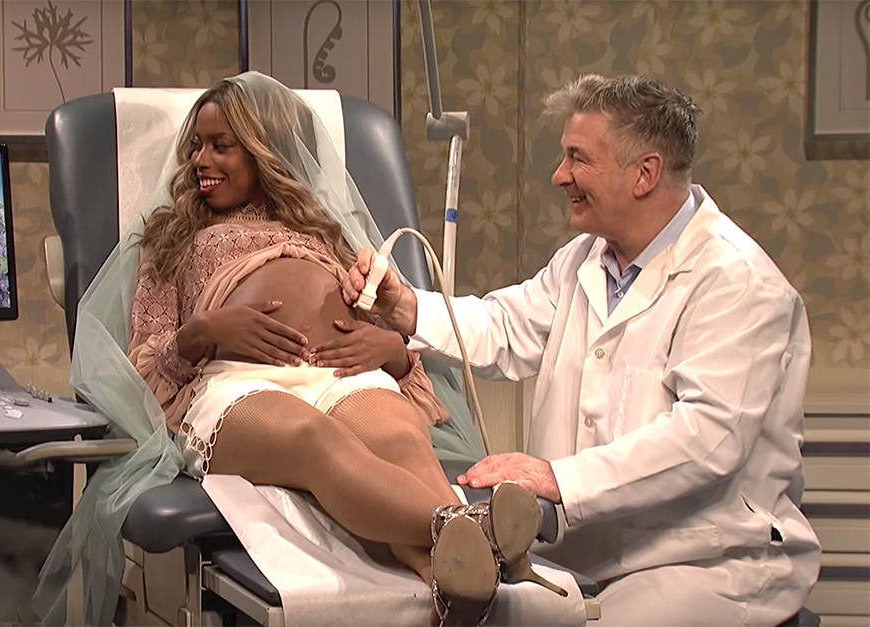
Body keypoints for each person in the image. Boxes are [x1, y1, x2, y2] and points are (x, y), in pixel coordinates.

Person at [34, 72, 560, 627]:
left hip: (342, 375)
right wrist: (207, 328)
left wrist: (390, 347)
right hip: (236, 384)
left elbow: (398, 342)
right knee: (316, 440)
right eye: (196, 147)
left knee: (402, 439)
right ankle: (476, 530)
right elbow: (143, 366)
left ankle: (449, 580)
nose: (200, 161)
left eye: (220, 146)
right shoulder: (170, 238)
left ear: (264, 150)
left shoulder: (324, 230)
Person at [341, 74, 821, 625]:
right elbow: (505, 325)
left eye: (578, 158)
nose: (559, 175)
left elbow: (707, 439)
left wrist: (558, 480)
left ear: (645, 174)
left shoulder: (737, 283)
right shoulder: (584, 259)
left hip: (708, 560)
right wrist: (406, 307)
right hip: (589, 552)